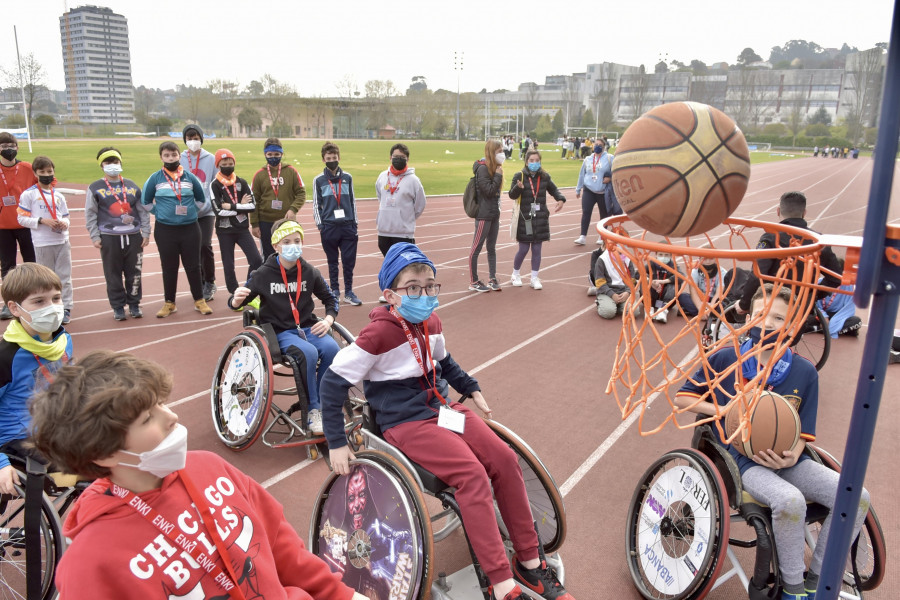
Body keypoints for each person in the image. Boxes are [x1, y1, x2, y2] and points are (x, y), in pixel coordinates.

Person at [320, 243, 575, 600]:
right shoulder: (377, 336)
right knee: (471, 475)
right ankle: (501, 583)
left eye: (429, 286)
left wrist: (471, 388)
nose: (423, 294)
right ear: (390, 294)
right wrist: (335, 442)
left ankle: (530, 564)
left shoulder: (432, 321)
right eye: (413, 287)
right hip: (406, 422)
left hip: (443, 410)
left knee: (503, 459)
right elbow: (332, 383)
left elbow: (445, 362)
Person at [28, 349, 365, 600]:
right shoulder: (91, 563)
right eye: (147, 419)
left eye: (162, 402)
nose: (171, 416)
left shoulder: (209, 466)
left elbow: (283, 550)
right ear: (103, 453)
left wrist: (342, 596)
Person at [675, 284, 870, 600]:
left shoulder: (805, 373)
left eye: (778, 318)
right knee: (789, 501)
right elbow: (683, 398)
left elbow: (804, 434)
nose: (767, 323)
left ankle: (819, 578)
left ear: (792, 327)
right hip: (739, 461)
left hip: (787, 461)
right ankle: (792, 591)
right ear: (748, 318)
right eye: (761, 315)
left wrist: (792, 456)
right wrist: (725, 408)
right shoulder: (726, 357)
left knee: (857, 496)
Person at [228, 219, 339, 435]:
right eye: (287, 241)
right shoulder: (262, 274)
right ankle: (314, 411)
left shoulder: (309, 271)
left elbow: (330, 299)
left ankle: (325, 404)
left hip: (307, 327)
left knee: (333, 348)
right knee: (308, 353)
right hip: (280, 332)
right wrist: (235, 300)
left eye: (297, 241)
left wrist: (328, 320)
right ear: (276, 245)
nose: (293, 245)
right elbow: (238, 302)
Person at [0, 263, 72, 495]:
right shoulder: (6, 357)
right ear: (15, 308)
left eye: (56, 298)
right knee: (88, 470)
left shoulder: (63, 340)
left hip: (53, 428)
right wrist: (0, 462)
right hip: (17, 439)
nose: (51, 308)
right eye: (39, 301)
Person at [735, 191, 841, 317]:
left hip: (770, 307)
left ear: (778, 211)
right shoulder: (819, 241)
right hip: (802, 309)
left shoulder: (772, 237)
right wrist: (812, 294)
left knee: (736, 279)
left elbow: (758, 275)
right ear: (804, 213)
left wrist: (744, 304)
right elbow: (836, 278)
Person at [142, 141, 212, 318]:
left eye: (173, 155)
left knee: (194, 266)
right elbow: (145, 202)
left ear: (178, 156)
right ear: (161, 157)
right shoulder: (155, 178)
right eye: (166, 155)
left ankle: (199, 300)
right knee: (169, 267)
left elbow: (201, 199)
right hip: (165, 230)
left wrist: (189, 212)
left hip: (190, 228)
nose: (170, 158)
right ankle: (169, 303)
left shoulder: (189, 177)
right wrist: (161, 213)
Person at [86, 147, 150, 321]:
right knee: (112, 274)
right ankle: (118, 307)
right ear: (101, 165)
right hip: (109, 237)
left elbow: (142, 210)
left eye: (115, 162)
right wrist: (95, 236)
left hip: (134, 236)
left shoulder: (131, 185)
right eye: (108, 162)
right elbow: (90, 213)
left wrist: (146, 232)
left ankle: (135, 304)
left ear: (121, 163)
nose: (112, 165)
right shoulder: (95, 188)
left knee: (134, 272)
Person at [17, 156, 73, 324]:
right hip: (43, 243)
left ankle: (66, 307)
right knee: (46, 279)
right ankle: (48, 307)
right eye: (42, 172)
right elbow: (21, 218)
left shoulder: (59, 196)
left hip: (62, 241)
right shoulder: (29, 194)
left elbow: (67, 217)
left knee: (65, 276)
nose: (46, 174)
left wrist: (64, 224)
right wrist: (42, 221)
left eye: (49, 171)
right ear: (35, 173)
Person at [312, 142, 362, 306]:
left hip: (347, 226)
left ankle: (348, 292)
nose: (332, 160)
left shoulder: (347, 178)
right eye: (328, 158)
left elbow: (352, 201)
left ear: (339, 158)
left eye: (334, 158)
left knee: (349, 261)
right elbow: (315, 205)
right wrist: (321, 226)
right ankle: (334, 291)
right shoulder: (318, 180)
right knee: (332, 262)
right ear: (323, 160)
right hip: (329, 227)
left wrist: (355, 223)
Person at [508, 150, 566, 290]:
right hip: (525, 218)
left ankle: (534, 277)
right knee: (523, 248)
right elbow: (511, 194)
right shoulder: (519, 176)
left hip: (540, 218)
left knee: (537, 249)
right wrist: (518, 187)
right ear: (526, 162)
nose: (534, 163)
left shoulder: (545, 176)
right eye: (531, 161)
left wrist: (560, 199)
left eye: (537, 160)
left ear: (540, 161)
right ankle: (515, 274)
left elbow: (554, 190)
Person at [209, 148, 262, 297]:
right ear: (218, 165)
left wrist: (232, 206)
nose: (228, 165)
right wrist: (241, 206)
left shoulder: (242, 182)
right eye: (224, 162)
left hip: (242, 229)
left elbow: (252, 206)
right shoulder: (215, 185)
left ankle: (247, 290)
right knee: (229, 265)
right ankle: (234, 293)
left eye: (230, 162)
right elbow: (218, 211)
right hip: (224, 231)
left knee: (256, 260)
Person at [251, 137, 307, 259]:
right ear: (265, 154)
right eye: (269, 154)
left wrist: (293, 209)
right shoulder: (259, 174)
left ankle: (289, 278)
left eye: (276, 154)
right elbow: (254, 200)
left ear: (282, 153)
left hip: (286, 221)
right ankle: (271, 278)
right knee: (269, 256)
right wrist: (254, 224)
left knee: (289, 254)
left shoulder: (291, 171)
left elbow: (301, 193)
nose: (273, 157)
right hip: (265, 222)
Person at [0, 132, 36, 320]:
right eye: (4, 146)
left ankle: (34, 300)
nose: (8, 149)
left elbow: (49, 183)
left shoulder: (27, 168)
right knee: (7, 266)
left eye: (12, 145)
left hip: (26, 224)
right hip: (3, 226)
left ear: (17, 147)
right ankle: (9, 303)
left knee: (31, 262)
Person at [180, 124, 218, 302]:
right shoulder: (180, 158)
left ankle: (210, 282)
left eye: (196, 138)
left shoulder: (210, 159)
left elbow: (215, 182)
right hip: (187, 212)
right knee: (192, 249)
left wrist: (213, 204)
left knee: (205, 245)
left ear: (201, 139)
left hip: (206, 211)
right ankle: (200, 282)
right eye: (189, 138)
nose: (193, 141)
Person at [375, 143, 426, 257]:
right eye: (395, 157)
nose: (398, 160)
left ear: (407, 159)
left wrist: (406, 217)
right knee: (389, 266)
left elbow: (420, 205)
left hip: (404, 234)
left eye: (402, 157)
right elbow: (380, 196)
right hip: (384, 232)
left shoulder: (413, 180)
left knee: (404, 269)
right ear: (390, 158)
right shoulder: (382, 176)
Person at [468, 140, 505, 293]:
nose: (502, 154)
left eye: (502, 150)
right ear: (491, 153)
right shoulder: (482, 170)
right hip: (484, 215)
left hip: (494, 213)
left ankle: (492, 277)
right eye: (499, 151)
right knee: (476, 248)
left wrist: (497, 174)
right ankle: (474, 281)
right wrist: (497, 176)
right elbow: (489, 191)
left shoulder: (494, 169)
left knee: (491, 248)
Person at [574, 140, 612, 245]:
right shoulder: (588, 159)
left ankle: (602, 236)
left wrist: (610, 178)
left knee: (603, 215)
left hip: (603, 191)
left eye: (600, 145)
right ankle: (582, 236)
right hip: (589, 190)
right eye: (596, 145)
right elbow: (582, 174)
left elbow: (616, 171)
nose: (597, 147)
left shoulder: (609, 158)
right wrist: (578, 189)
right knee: (586, 212)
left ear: (604, 147)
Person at [591, 245, 639, 319]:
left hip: (624, 292)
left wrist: (628, 292)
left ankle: (618, 306)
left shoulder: (628, 258)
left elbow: (632, 280)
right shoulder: (602, 259)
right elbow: (599, 282)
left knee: (635, 311)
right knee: (609, 313)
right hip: (607, 292)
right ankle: (602, 303)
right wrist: (612, 294)